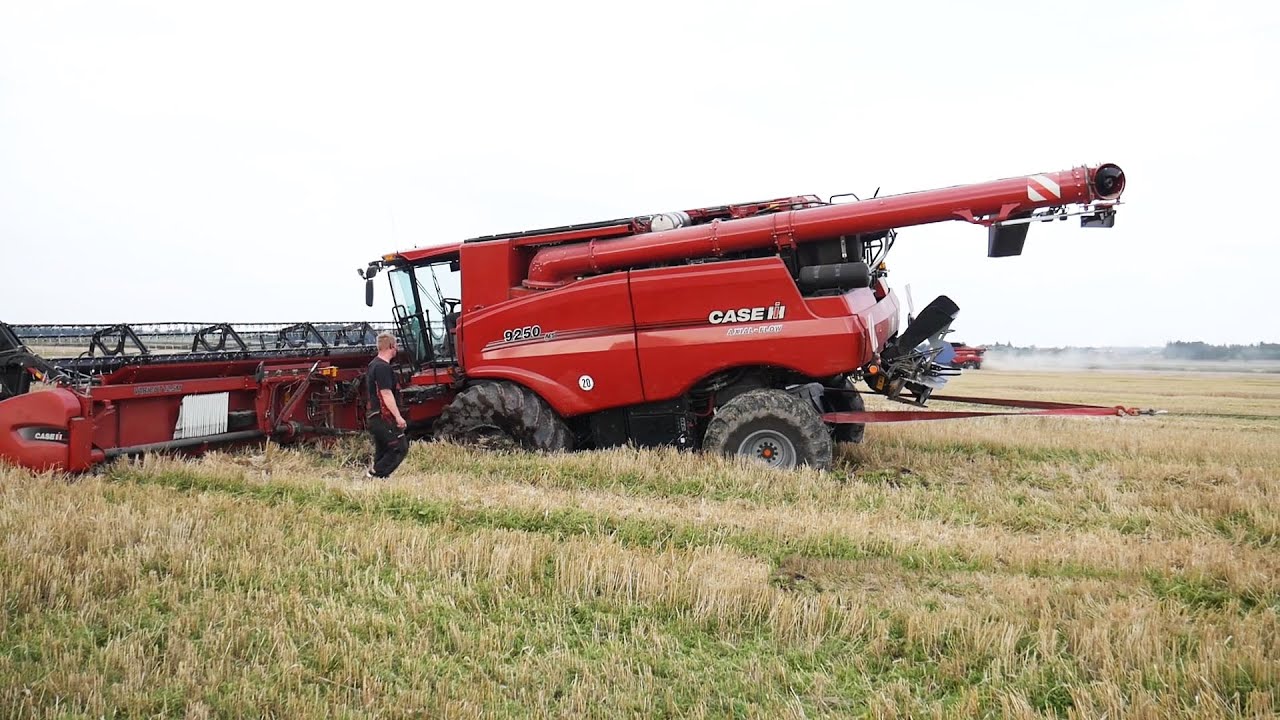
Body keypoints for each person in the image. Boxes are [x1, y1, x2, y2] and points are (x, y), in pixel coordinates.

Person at [364, 331, 408, 479]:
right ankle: (374, 474)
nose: (397, 348)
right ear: (390, 346)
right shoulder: (383, 368)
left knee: (382, 450)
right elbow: (386, 394)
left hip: (373, 415)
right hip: (383, 416)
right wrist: (398, 417)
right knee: (399, 448)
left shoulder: (373, 365)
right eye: (396, 345)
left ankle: (377, 482)